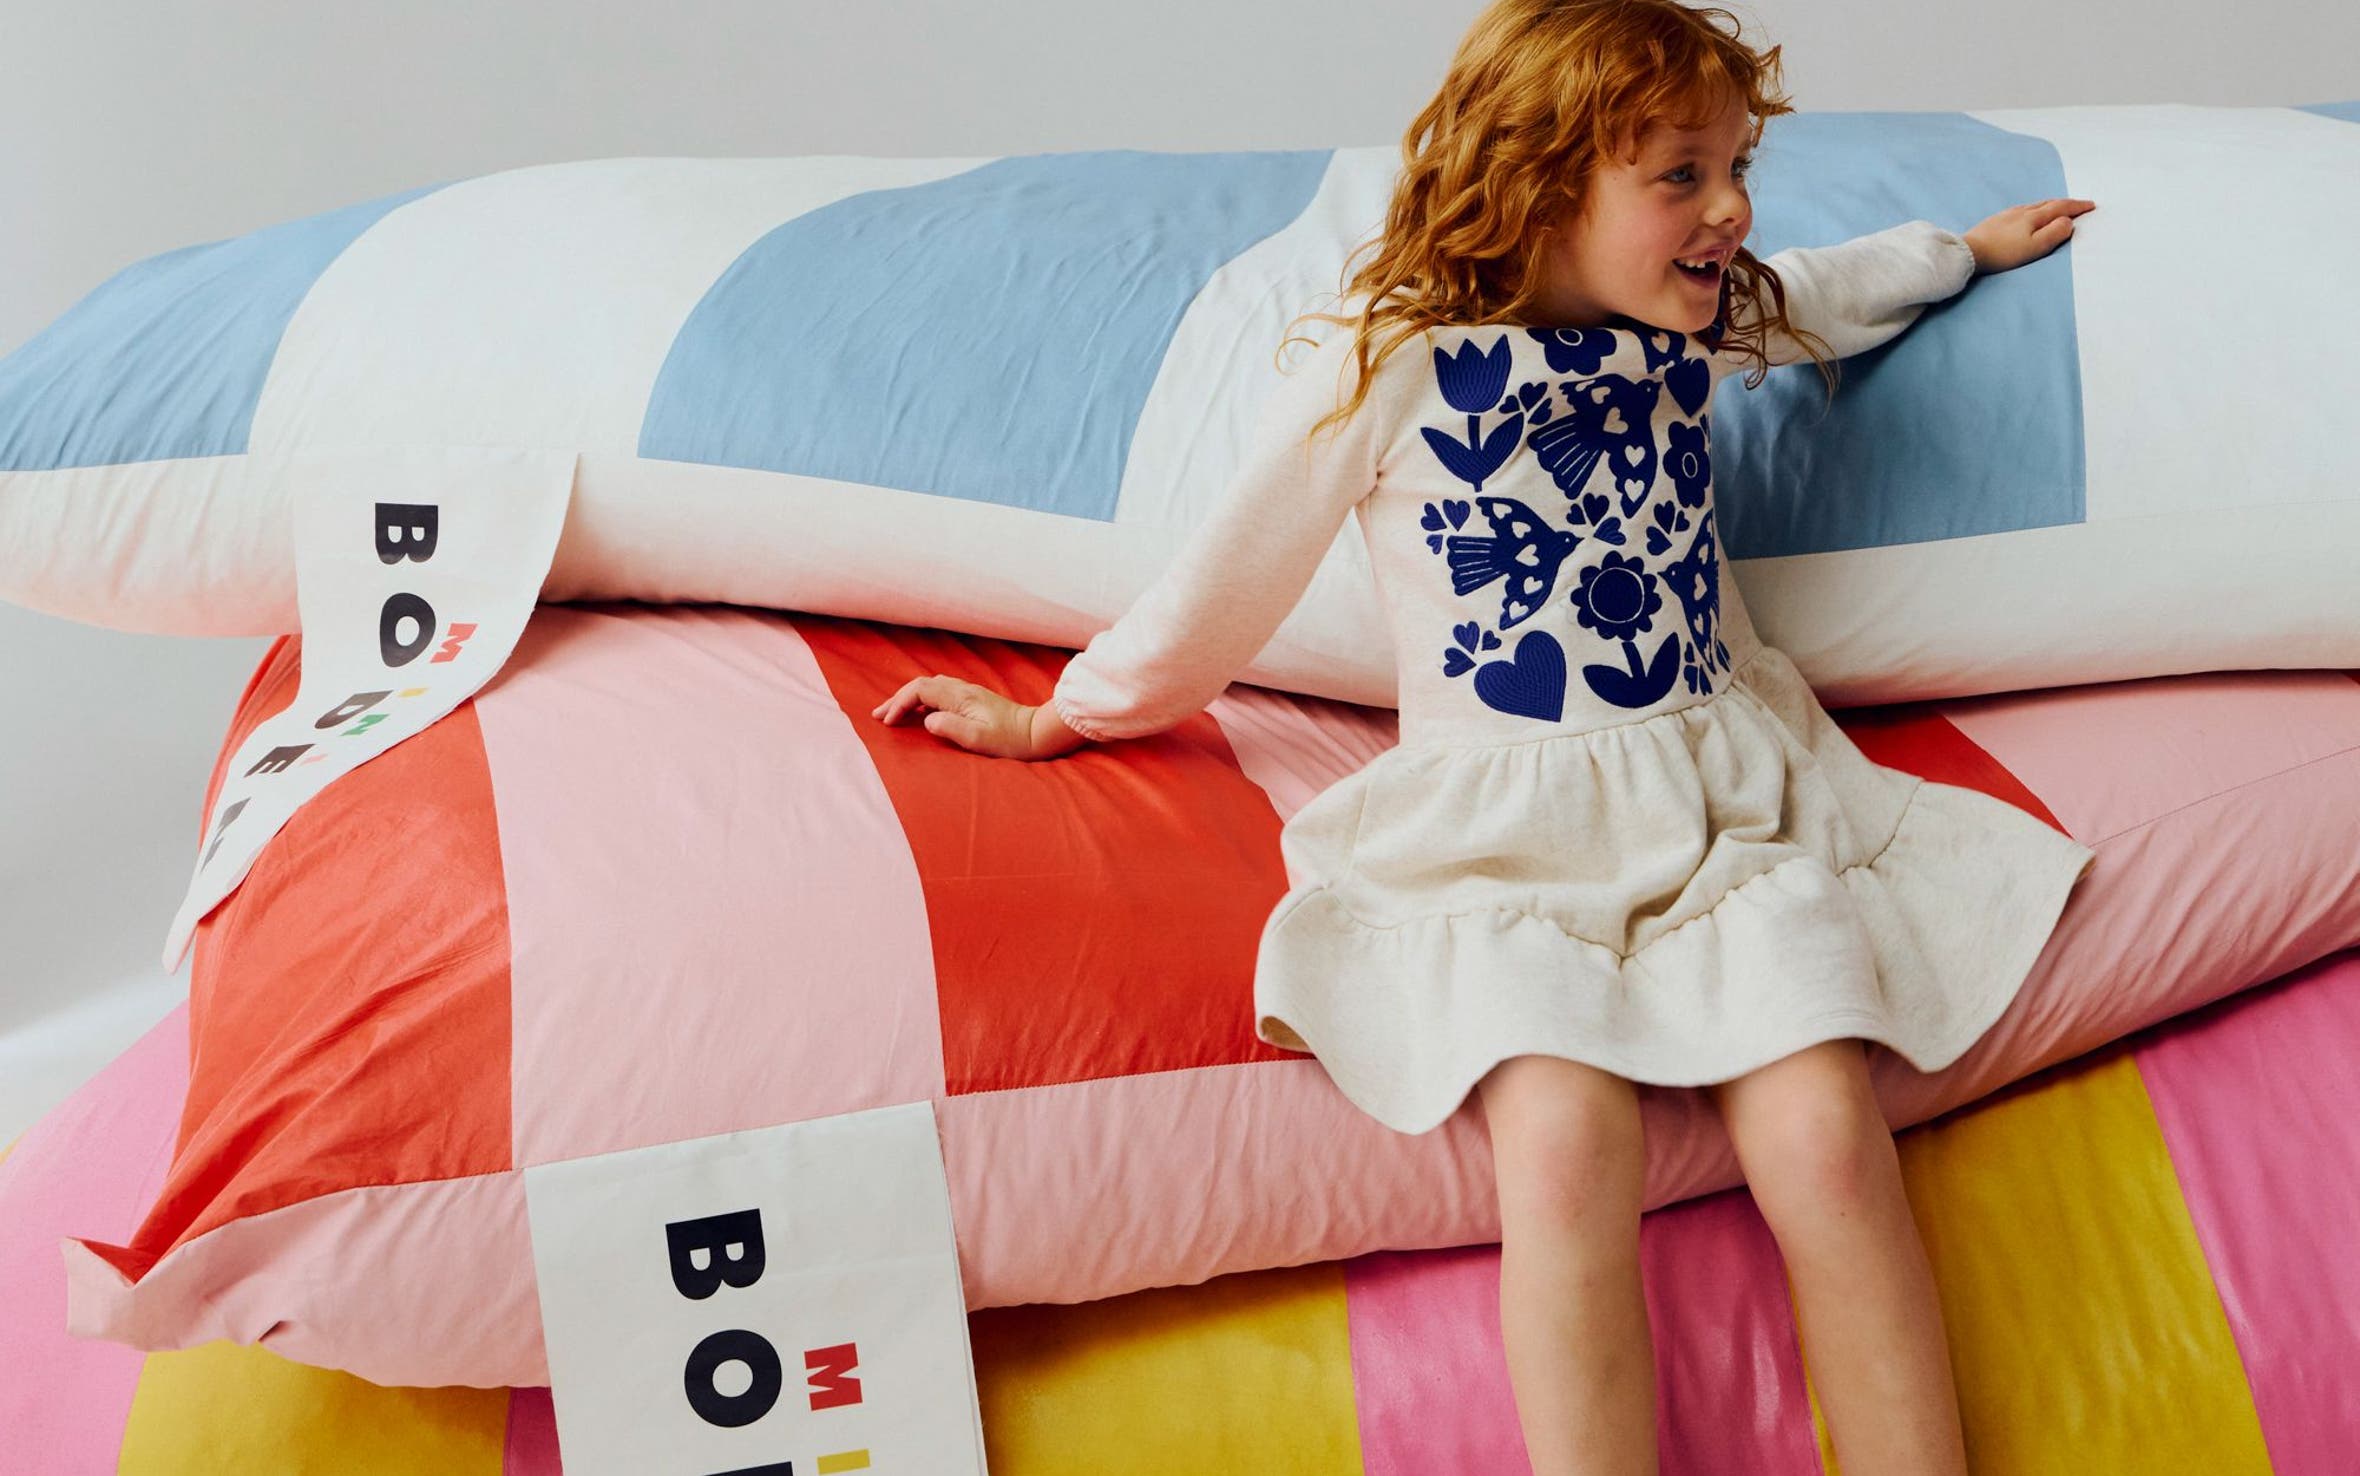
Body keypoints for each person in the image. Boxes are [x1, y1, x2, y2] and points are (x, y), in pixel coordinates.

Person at [874, 1, 2099, 1468]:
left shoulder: (1690, 323)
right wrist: (1063, 715)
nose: (1732, 209)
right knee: (1566, 1155)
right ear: (1539, 187)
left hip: (1723, 807)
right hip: (1511, 840)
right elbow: (1232, 575)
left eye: (1736, 168)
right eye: (1682, 176)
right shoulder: (1396, 363)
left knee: (1828, 1137)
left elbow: (1828, 292)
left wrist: (1964, 252)